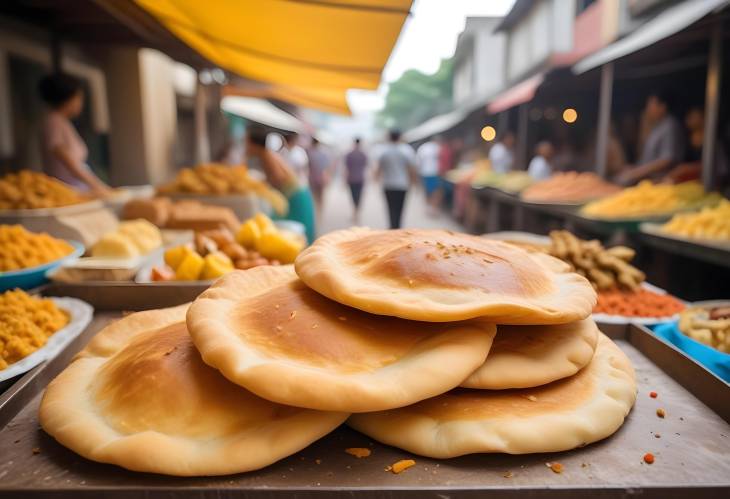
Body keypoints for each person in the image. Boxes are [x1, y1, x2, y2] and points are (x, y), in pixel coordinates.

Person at [38, 73, 110, 194]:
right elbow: (69, 161)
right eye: (79, 97)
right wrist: (97, 185)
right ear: (69, 98)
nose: (80, 102)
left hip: (75, 189)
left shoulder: (61, 122)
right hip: (67, 191)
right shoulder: (54, 122)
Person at [246, 126, 316, 243]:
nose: (246, 147)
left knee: (296, 237)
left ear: (253, 143)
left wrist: (264, 186)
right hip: (296, 194)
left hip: (296, 197)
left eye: (247, 142)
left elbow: (278, 179)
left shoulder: (266, 156)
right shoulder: (266, 154)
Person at [615, 91, 686, 185]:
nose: (648, 109)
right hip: (648, 182)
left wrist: (636, 173)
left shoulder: (670, 126)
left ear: (662, 106)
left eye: (651, 105)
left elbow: (667, 160)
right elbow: (649, 158)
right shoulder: (657, 126)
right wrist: (634, 168)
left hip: (662, 182)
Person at [664, 107, 729, 185]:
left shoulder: (713, 142)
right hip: (687, 184)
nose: (689, 119)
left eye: (693, 116)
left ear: (703, 119)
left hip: (709, 184)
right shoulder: (686, 139)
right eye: (689, 116)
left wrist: (687, 168)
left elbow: (716, 167)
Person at [375, 130, 417, 229]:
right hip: (402, 185)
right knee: (400, 209)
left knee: (390, 208)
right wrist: (414, 182)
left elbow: (379, 169)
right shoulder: (406, 150)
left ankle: (392, 227)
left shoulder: (384, 151)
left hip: (388, 185)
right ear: (400, 137)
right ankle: (397, 228)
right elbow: (411, 169)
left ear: (389, 137)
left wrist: (376, 179)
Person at [343, 137, 368, 222]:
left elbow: (346, 168)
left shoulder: (349, 154)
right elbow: (365, 167)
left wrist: (344, 180)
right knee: (359, 196)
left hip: (351, 178)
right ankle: (356, 213)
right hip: (360, 178)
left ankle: (355, 212)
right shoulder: (363, 154)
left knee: (353, 196)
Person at [306, 138, 331, 217]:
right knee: (320, 196)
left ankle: (315, 212)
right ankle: (320, 211)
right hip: (321, 178)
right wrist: (326, 178)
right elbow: (326, 168)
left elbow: (307, 167)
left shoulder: (308, 153)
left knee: (313, 196)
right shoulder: (323, 154)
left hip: (312, 178)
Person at [416, 136, 441, 212]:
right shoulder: (438, 147)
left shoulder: (422, 148)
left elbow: (418, 162)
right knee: (435, 191)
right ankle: (433, 207)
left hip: (425, 172)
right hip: (435, 172)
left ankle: (428, 207)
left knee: (427, 190)